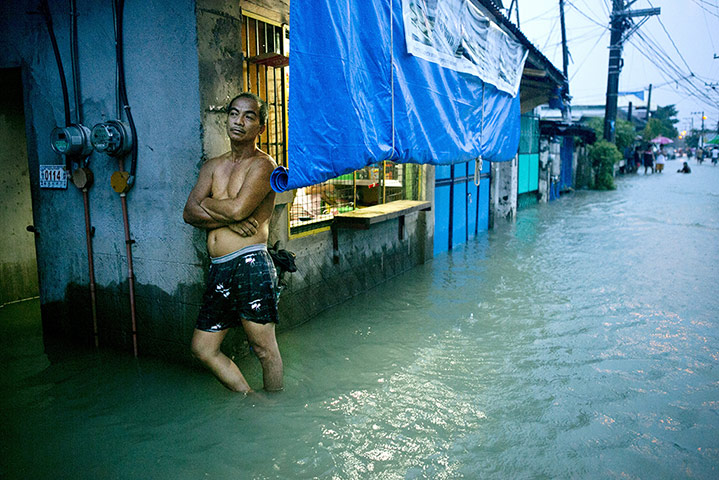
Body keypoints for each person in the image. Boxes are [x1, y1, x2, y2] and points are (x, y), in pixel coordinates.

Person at [183, 92, 283, 393]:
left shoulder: (265, 166)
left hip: (249, 263)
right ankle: (250, 398)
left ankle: (276, 407)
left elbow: (239, 208)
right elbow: (189, 212)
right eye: (234, 113)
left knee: (264, 349)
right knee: (203, 348)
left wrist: (212, 205)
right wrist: (232, 218)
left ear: (260, 127)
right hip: (219, 268)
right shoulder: (212, 166)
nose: (239, 121)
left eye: (249, 116)